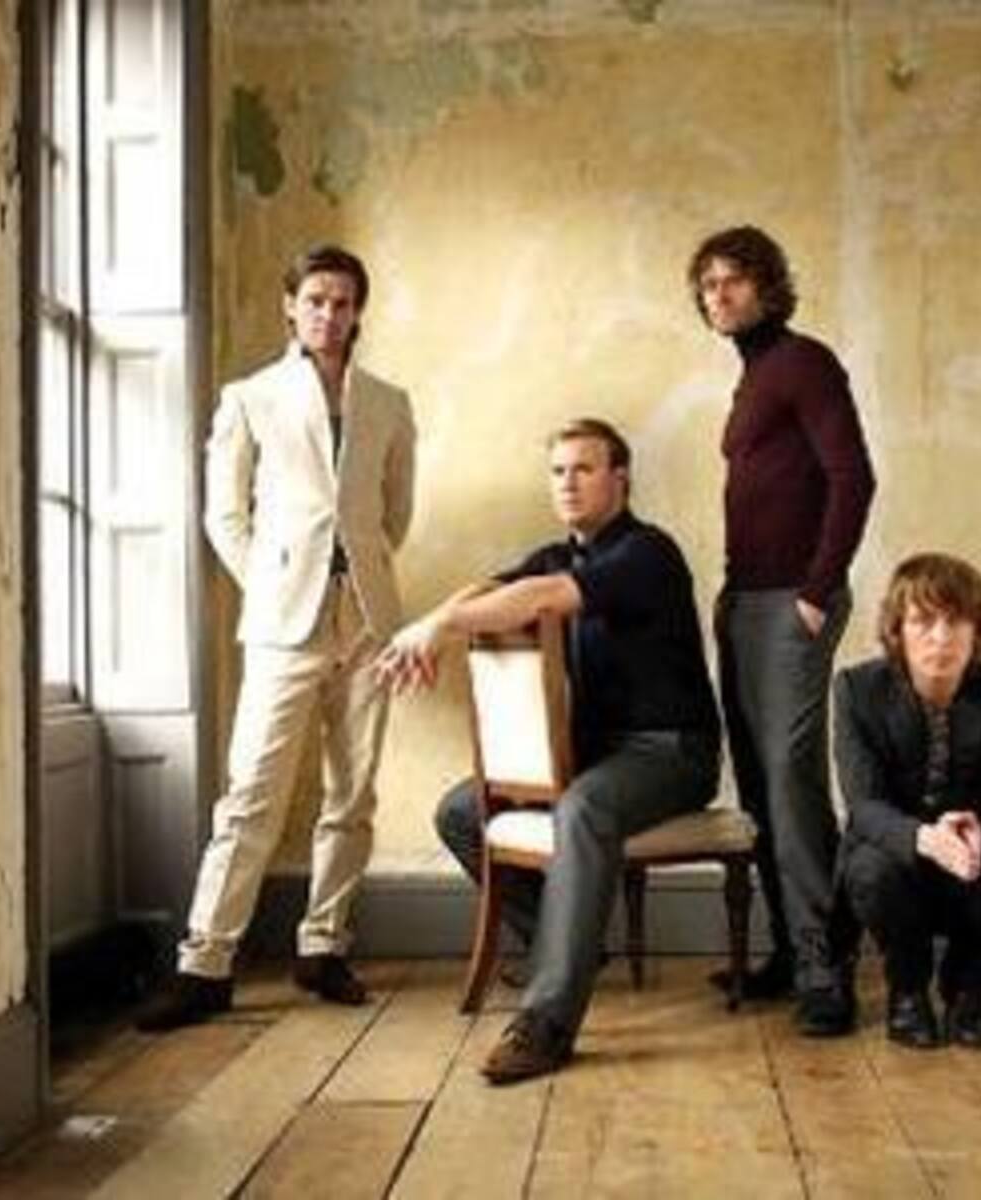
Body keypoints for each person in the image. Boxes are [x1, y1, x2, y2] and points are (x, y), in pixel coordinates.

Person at [379, 418, 720, 1084]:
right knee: (462, 812)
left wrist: (440, 626)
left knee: (582, 810)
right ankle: (563, 946)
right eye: (558, 471)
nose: (567, 483)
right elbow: (486, 592)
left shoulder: (648, 553)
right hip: (595, 753)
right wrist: (434, 622)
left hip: (670, 752)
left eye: (584, 469)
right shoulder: (555, 554)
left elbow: (541, 599)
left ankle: (547, 1022)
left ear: (620, 479)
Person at [137, 244, 416, 1031]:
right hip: (283, 621)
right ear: (291, 306)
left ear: (358, 312)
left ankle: (324, 946)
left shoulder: (389, 402)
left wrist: (360, 576)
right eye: (316, 299)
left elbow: (395, 512)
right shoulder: (251, 397)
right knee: (252, 795)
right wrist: (274, 579)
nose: (329, 314)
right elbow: (224, 515)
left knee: (352, 794)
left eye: (343, 302)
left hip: (367, 620)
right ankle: (205, 963)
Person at [686, 226, 875, 1034]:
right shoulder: (754, 376)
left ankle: (825, 969)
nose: (719, 295)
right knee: (761, 786)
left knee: (792, 784)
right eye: (708, 285)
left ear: (768, 286)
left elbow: (853, 477)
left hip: (791, 600)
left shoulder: (804, 362)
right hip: (746, 601)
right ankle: (797, 950)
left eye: (733, 280)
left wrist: (817, 590)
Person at [834, 553, 981, 1049]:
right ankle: (907, 994)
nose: (941, 637)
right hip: (899, 856)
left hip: (975, 856)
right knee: (870, 872)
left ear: (978, 630)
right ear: (897, 630)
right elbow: (863, 806)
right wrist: (925, 838)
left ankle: (967, 991)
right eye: (923, 621)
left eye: (956, 621)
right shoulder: (856, 689)